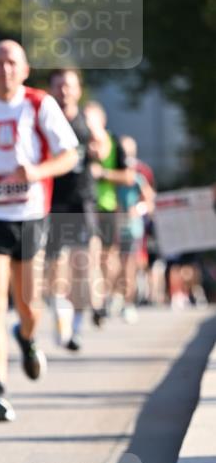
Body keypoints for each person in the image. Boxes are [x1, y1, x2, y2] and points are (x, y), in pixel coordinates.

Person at [0, 40, 78, 422]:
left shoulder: (40, 104)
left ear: (24, 70)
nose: (5, 69)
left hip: (29, 213)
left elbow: (70, 154)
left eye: (12, 62)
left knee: (29, 303)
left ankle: (25, 336)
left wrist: (37, 172)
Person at [45, 68, 98, 352]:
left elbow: (101, 147)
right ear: (52, 89)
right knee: (54, 266)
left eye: (69, 85)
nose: (64, 90)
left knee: (81, 265)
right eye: (59, 85)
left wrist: (97, 142)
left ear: (78, 90)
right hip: (53, 199)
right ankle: (60, 313)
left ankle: (76, 326)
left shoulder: (87, 120)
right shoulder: (45, 119)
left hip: (81, 199)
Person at [82, 101, 132, 324]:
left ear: (102, 121)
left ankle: (109, 294)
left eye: (92, 120)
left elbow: (128, 177)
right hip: (85, 207)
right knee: (91, 256)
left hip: (108, 207)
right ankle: (97, 301)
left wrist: (102, 173)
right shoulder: (77, 142)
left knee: (108, 259)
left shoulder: (115, 143)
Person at [114, 135, 155, 323]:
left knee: (128, 266)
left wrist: (137, 210)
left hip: (131, 227)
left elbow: (149, 200)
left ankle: (127, 303)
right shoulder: (112, 172)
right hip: (111, 225)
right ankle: (112, 296)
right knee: (112, 264)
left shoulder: (139, 175)